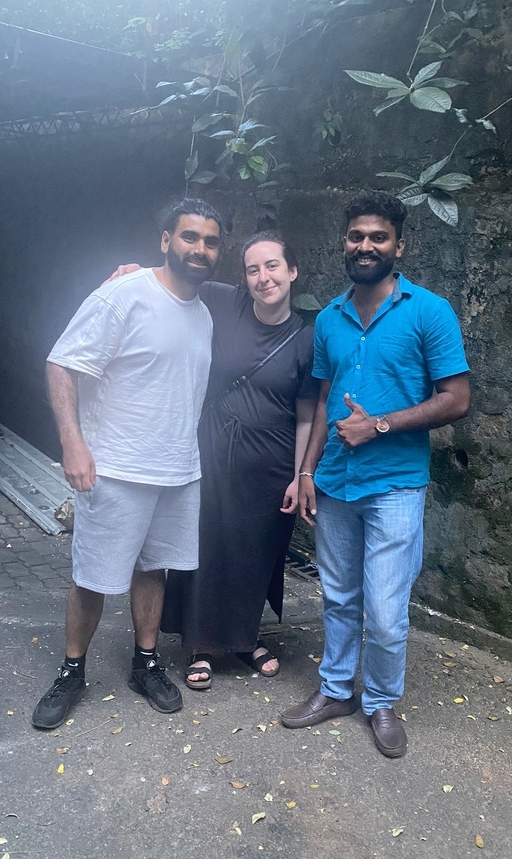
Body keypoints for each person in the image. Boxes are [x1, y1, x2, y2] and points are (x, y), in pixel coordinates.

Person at [279, 193, 470, 759]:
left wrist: (379, 425)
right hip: (335, 482)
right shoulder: (331, 321)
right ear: (345, 244)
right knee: (337, 596)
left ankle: (381, 701)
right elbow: (321, 400)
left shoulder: (428, 312)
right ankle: (336, 690)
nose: (366, 246)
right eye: (357, 237)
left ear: (398, 246)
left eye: (378, 237)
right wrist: (306, 470)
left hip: (394, 484)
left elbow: (456, 399)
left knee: (385, 612)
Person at [31, 198, 223, 730]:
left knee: (153, 570)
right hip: (114, 467)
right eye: (189, 237)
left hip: (178, 470)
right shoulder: (123, 295)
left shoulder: (205, 313)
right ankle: (72, 671)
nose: (199, 249)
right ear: (166, 240)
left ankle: (145, 663)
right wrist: (73, 443)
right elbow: (62, 363)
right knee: (92, 576)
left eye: (210, 242)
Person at [111, 234, 318, 689]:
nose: (263, 278)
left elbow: (307, 412)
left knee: (256, 550)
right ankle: (200, 643)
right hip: (211, 447)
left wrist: (301, 473)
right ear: (243, 277)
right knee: (203, 543)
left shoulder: (307, 338)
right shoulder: (225, 302)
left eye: (272, 267)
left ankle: (243, 638)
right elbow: (177, 278)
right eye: (252, 269)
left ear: (293, 271)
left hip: (272, 460)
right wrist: (137, 274)